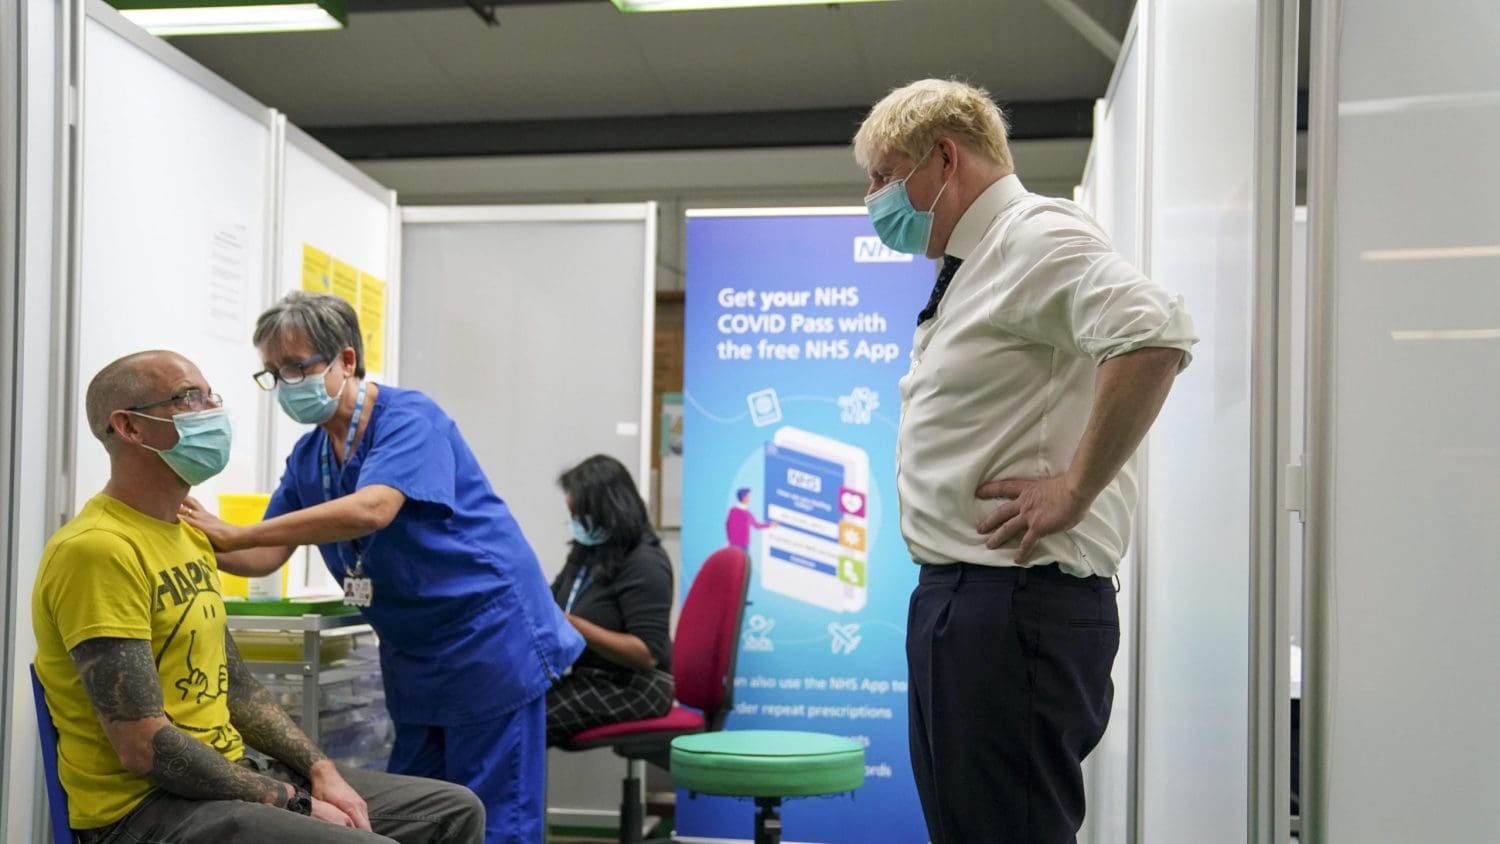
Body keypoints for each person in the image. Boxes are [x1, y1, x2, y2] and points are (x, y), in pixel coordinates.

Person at [853, 79, 1198, 843]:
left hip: (1012, 605)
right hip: (970, 600)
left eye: (883, 175)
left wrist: (1073, 490)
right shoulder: (977, 263)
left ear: (945, 157)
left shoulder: (1030, 236)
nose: (874, 198)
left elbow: (1154, 333)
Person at [33, 349, 485, 844]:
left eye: (211, 396)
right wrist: (293, 801)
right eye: (189, 398)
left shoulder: (186, 538)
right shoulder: (98, 550)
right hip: (145, 811)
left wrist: (319, 768)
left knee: (455, 810)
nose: (212, 411)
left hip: (228, 778)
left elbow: (238, 689)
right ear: (130, 427)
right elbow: (144, 748)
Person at [181, 292, 583, 844]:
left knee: (495, 815)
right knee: (423, 812)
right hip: (414, 652)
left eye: (298, 366)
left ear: (346, 360)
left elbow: (373, 508)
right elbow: (262, 556)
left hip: (488, 637)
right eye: (274, 373)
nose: (287, 384)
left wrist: (239, 531)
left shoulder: (411, 419)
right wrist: (183, 531)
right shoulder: (309, 457)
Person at [545, 455, 675, 746]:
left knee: (527, 725)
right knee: (508, 709)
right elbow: (551, 602)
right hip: (592, 677)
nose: (575, 523)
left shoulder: (645, 562)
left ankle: (493, 794)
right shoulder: (587, 553)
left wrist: (572, 625)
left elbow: (645, 654)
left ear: (608, 510)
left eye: (580, 514)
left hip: (638, 686)